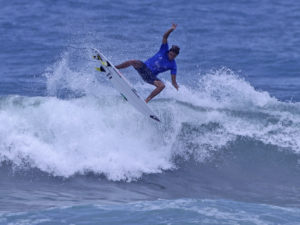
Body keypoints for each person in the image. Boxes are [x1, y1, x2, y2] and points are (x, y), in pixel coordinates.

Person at [116, 24, 180, 103]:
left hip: (150, 77)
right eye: (170, 54)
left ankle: (146, 101)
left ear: (176, 56)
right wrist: (171, 29)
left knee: (162, 86)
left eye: (173, 56)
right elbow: (165, 37)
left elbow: (173, 81)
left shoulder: (173, 66)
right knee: (133, 61)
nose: (171, 57)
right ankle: (115, 68)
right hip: (144, 68)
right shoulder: (164, 49)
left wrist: (177, 88)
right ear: (169, 52)